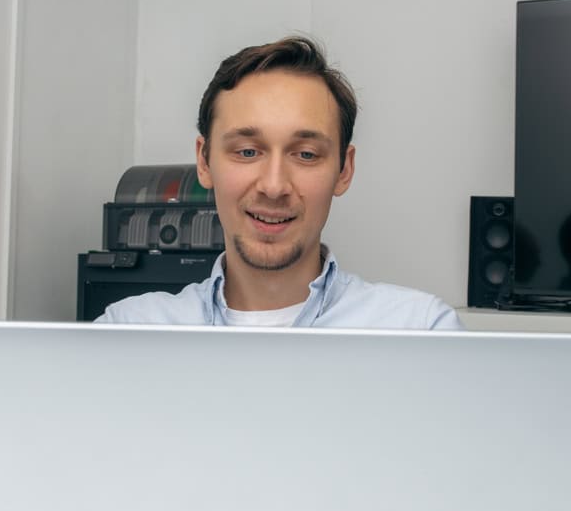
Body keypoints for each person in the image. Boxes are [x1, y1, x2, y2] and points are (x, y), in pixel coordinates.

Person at [98, 36, 458, 329]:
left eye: (305, 155)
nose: (273, 186)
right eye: (247, 152)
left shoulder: (419, 330)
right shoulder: (128, 331)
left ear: (344, 170)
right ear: (204, 162)